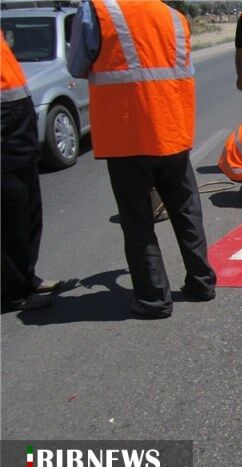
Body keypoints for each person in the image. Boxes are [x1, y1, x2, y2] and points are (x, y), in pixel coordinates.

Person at [67, 0, 216, 319]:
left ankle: (153, 298)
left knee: (138, 220)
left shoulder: (97, 11)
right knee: (186, 209)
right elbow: (183, 69)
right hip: (172, 129)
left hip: (127, 134)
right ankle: (202, 283)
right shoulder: (174, 16)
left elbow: (77, 66)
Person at [1, 33, 62, 312]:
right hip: (5, 141)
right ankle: (13, 292)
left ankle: (27, 277)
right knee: (10, 222)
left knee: (28, 215)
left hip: (19, 134)